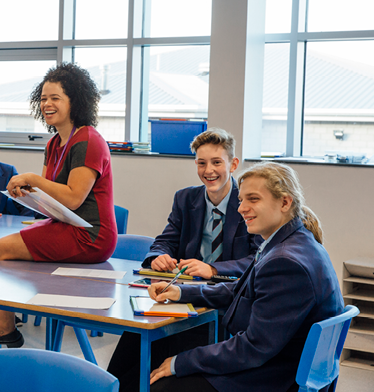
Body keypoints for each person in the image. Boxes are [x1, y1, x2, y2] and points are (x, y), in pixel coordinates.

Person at [120, 162, 343, 392]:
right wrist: (181, 292)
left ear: (285, 202)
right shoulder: (291, 242)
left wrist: (180, 362)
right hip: (277, 364)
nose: (241, 208)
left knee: (161, 381)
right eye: (241, 200)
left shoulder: (285, 261)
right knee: (142, 348)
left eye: (253, 199)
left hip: (273, 377)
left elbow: (252, 348)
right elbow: (240, 290)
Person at [0, 63, 117, 348]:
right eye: (43, 98)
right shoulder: (54, 143)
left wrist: (33, 179)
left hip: (91, 235)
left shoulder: (89, 140)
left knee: (0, 249)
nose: (47, 104)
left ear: (74, 101)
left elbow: (73, 197)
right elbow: (52, 201)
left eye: (55, 98)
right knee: (4, 249)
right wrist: (27, 193)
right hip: (67, 225)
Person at [142, 128, 260, 279]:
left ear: (233, 165)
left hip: (232, 289)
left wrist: (213, 269)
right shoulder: (184, 199)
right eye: (202, 163)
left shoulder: (249, 203)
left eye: (217, 162)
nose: (209, 170)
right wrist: (158, 256)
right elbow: (166, 241)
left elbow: (258, 258)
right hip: (190, 285)